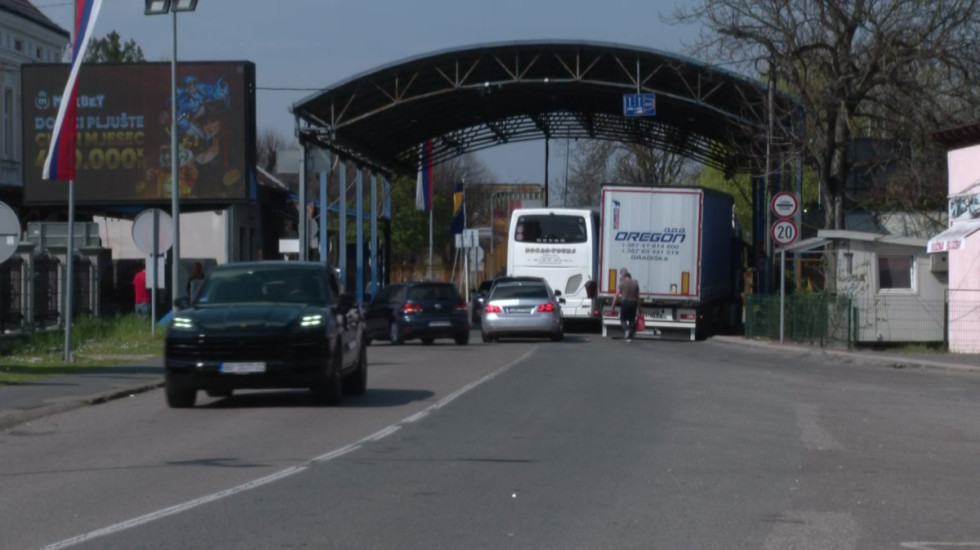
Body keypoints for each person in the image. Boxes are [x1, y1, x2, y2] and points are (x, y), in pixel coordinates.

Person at [610, 267, 640, 342]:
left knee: (622, 319)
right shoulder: (635, 284)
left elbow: (616, 295)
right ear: (630, 277)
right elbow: (637, 297)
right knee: (632, 320)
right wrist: (640, 307)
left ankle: (626, 330)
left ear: (625, 277)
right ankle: (630, 336)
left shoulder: (622, 284)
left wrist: (613, 305)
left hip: (625, 302)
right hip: (633, 303)